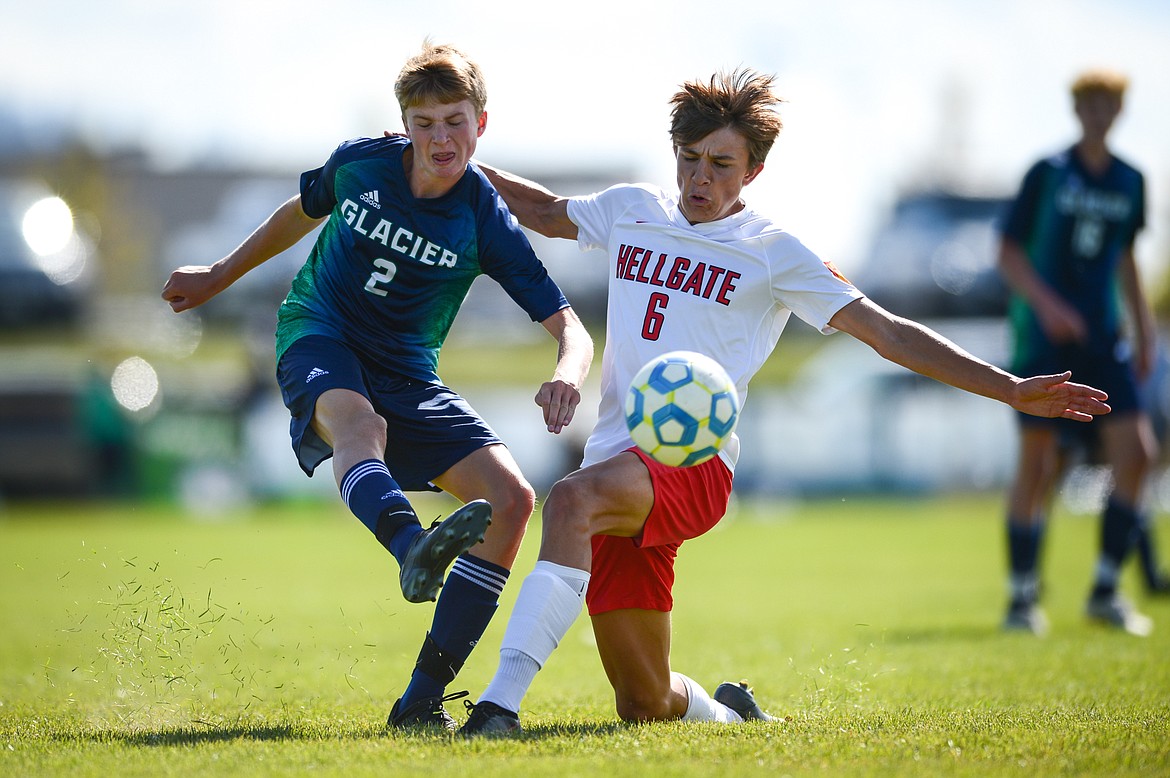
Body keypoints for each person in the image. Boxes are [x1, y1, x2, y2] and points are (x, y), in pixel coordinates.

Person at [455, 69, 1112, 735]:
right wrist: (460, 157)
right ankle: (729, 715)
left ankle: (498, 707)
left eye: (720, 164)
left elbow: (886, 332)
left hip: (693, 467)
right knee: (644, 702)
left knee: (567, 500)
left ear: (754, 171)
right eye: (689, 160)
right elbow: (539, 211)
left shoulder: (772, 252)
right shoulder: (633, 208)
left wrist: (1008, 388)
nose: (699, 179)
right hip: (617, 462)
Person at [161, 42, 593, 729]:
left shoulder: (484, 218)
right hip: (319, 331)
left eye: (455, 121)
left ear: (483, 123)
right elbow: (298, 212)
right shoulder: (360, 162)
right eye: (425, 123)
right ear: (404, 125)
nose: (441, 138)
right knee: (361, 428)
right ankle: (408, 546)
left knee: (511, 498)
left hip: (409, 370)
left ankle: (421, 701)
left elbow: (570, 325)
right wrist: (218, 274)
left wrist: (567, 375)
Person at [997, 69, 1163, 637]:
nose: (1099, 111)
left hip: (1106, 339)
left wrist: (1144, 329)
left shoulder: (1132, 180)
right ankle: (1021, 599)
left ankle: (1106, 589)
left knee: (1138, 454)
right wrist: (1047, 306)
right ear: (1077, 109)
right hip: (1044, 341)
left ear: (1119, 108)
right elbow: (1009, 253)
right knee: (1039, 465)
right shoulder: (1048, 173)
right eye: (1089, 102)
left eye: (1109, 102)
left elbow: (1125, 256)